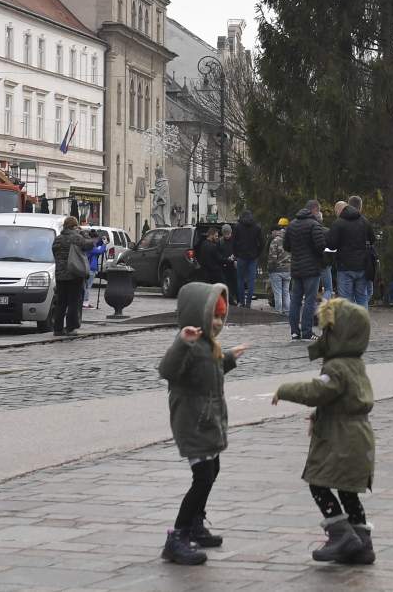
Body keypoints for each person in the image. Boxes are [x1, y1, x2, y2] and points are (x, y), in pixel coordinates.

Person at [272, 297, 377, 565]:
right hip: (358, 437)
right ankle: (362, 543)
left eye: (326, 331)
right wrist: (321, 414)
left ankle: (340, 534)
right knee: (347, 490)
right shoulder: (356, 364)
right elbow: (341, 399)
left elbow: (316, 391)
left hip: (339, 439)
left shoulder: (336, 367)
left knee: (318, 483)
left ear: (338, 334)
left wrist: (284, 390)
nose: (322, 335)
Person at [157, 282, 248, 566]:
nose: (219, 323)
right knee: (203, 477)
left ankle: (196, 522)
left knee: (213, 468)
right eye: (214, 317)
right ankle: (177, 536)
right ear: (198, 316)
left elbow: (214, 370)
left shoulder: (209, 345)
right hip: (193, 422)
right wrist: (182, 342)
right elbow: (168, 370)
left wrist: (230, 357)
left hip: (208, 420)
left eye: (222, 317)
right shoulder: (190, 345)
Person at [287, 201, 329, 341]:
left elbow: (286, 245)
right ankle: (306, 331)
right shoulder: (314, 225)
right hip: (311, 269)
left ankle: (294, 331)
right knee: (309, 301)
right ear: (315, 210)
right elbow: (320, 245)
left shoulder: (292, 224)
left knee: (295, 300)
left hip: (296, 268)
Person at [328, 196, 374, 308]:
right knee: (362, 297)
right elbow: (372, 240)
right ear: (360, 206)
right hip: (362, 266)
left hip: (344, 267)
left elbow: (332, 245)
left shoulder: (338, 223)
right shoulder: (364, 221)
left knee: (345, 300)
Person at [50, 216, 88, 335]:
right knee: (73, 302)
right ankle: (70, 328)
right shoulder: (76, 237)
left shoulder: (58, 239)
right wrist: (83, 234)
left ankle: (57, 328)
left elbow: (54, 252)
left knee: (61, 302)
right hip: (74, 274)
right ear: (74, 226)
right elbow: (88, 245)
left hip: (60, 275)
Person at [230, 210, 263, 310]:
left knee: (240, 279)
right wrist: (257, 253)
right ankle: (248, 303)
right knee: (251, 281)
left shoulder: (238, 227)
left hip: (241, 257)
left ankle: (241, 301)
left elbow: (233, 242)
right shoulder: (257, 227)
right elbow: (262, 242)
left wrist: (236, 254)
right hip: (253, 257)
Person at [196, 225, 233, 298]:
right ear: (211, 235)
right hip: (215, 272)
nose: (217, 237)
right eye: (216, 236)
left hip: (206, 272)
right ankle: (231, 303)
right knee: (224, 288)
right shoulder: (213, 246)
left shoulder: (203, 244)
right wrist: (229, 259)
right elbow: (219, 259)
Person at [267, 218, 293, 315]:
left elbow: (272, 257)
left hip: (276, 270)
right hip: (288, 269)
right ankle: (287, 311)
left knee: (278, 291)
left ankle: (278, 311)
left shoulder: (275, 241)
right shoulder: (289, 240)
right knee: (286, 291)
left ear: (277, 231)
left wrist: (270, 268)